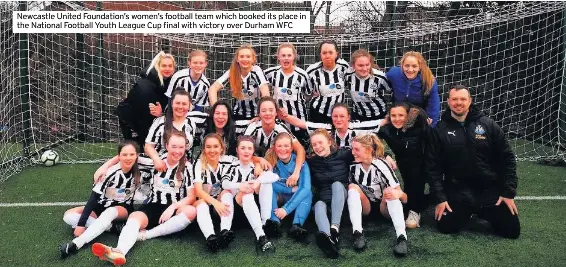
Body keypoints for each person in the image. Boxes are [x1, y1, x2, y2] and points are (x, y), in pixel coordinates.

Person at [427, 85, 520, 239]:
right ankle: (467, 211)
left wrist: (508, 192)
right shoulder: (439, 130)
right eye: (455, 99)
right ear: (448, 102)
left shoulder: (488, 125)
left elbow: (507, 159)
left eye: (463, 99)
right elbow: (432, 167)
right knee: (446, 226)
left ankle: (482, 211)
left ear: (470, 101)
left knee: (511, 231)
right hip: (458, 190)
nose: (459, 103)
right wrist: (440, 198)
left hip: (488, 189)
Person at [92, 131, 197, 266]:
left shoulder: (187, 167)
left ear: (185, 148)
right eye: (174, 146)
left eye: (181, 147)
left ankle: (146, 235)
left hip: (174, 210)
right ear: (167, 145)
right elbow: (128, 155)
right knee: (134, 218)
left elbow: (191, 196)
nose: (177, 151)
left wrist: (172, 207)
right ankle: (119, 252)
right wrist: (105, 166)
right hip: (153, 206)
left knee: (191, 211)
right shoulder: (154, 162)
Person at [59, 141, 141, 259]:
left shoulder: (142, 167)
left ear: (137, 155)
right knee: (68, 216)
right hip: (101, 205)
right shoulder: (109, 172)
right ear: (118, 156)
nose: (128, 158)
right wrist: (81, 224)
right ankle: (111, 228)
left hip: (121, 208)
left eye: (132, 154)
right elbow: (93, 199)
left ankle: (76, 244)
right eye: (124, 155)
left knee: (110, 212)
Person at [193, 133, 270, 252]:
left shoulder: (228, 160)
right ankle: (211, 238)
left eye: (215, 146)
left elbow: (247, 157)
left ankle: (226, 232)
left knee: (227, 192)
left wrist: (258, 163)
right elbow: (198, 191)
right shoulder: (199, 164)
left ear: (222, 148)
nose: (212, 150)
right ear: (203, 149)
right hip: (210, 206)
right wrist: (216, 203)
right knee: (202, 202)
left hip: (227, 208)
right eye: (208, 147)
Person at [347, 134, 408, 257]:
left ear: (369, 149)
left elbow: (404, 198)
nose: (353, 152)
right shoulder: (353, 165)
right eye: (352, 149)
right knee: (352, 188)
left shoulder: (382, 165)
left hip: (384, 208)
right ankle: (357, 233)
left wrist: (397, 193)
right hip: (366, 208)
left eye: (357, 149)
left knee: (390, 191)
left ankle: (402, 237)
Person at [218, 136, 276, 253]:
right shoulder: (232, 166)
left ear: (253, 151)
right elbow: (224, 183)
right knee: (226, 193)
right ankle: (224, 231)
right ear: (237, 150)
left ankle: (262, 233)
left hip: (253, 209)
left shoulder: (256, 167)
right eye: (243, 148)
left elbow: (275, 176)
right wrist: (239, 186)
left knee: (263, 185)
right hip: (235, 210)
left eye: (249, 148)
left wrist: (257, 181)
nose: (246, 151)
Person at [377, 102, 430, 228]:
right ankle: (414, 204)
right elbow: (373, 141)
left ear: (408, 116)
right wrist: (387, 154)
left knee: (416, 181)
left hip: (425, 163)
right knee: (409, 184)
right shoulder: (388, 130)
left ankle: (415, 211)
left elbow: (431, 142)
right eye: (393, 115)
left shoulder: (419, 127)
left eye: (401, 115)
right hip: (404, 163)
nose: (397, 119)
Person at [307, 129, 353, 259]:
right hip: (325, 201)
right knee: (318, 204)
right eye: (314, 145)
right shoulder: (312, 162)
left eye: (320, 142)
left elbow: (365, 149)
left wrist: (387, 156)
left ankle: (335, 227)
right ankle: (329, 241)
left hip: (342, 202)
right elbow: (295, 158)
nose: (317, 147)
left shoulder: (343, 154)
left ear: (329, 142)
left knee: (337, 185)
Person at [116, 51, 176, 148]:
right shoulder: (146, 87)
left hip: (147, 119)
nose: (167, 69)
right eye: (164, 66)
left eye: (170, 66)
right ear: (158, 66)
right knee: (134, 150)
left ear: (174, 68)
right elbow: (144, 115)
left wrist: (161, 114)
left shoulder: (169, 83)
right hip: (132, 120)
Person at [262, 132, 312, 242]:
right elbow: (267, 183)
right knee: (268, 188)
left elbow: (306, 187)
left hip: (295, 199)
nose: (283, 149)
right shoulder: (271, 161)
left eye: (286, 146)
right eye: (279, 146)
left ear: (291, 147)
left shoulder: (300, 162)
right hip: (280, 197)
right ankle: (274, 222)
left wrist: (286, 209)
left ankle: (297, 225)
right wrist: (288, 189)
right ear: (274, 147)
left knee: (307, 193)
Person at [264, 43, 311, 146]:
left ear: (294, 56)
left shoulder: (302, 75)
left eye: (289, 55)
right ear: (278, 57)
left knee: (300, 149)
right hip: (278, 121)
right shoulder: (270, 73)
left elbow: (309, 94)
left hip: (298, 121)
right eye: (283, 55)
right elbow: (261, 86)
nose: (286, 58)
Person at [208, 44, 270, 120]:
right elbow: (212, 89)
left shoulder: (256, 71)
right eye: (242, 56)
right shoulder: (233, 72)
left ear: (253, 59)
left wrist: (261, 115)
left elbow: (265, 93)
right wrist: (216, 110)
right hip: (237, 115)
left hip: (256, 115)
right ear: (237, 59)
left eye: (248, 56)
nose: (245, 59)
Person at [145, 90, 197, 170]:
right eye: (177, 103)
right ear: (172, 104)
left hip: (183, 168)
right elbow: (148, 146)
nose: (180, 107)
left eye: (184, 104)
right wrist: (157, 160)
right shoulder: (160, 122)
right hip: (162, 166)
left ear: (189, 106)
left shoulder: (191, 124)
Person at [387, 51, 440, 127]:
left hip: (418, 116)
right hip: (397, 115)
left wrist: (430, 125)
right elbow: (380, 81)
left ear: (419, 67)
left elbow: (434, 105)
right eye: (407, 66)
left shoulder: (429, 81)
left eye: (414, 66)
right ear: (402, 66)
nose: (410, 70)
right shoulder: (393, 74)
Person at [306, 40, 350, 123]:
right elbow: (307, 91)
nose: (327, 56)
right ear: (320, 55)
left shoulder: (344, 67)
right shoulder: (312, 71)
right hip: (319, 113)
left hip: (339, 115)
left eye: (330, 52)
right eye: (324, 53)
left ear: (336, 54)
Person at [344, 49, 390, 121]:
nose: (365, 68)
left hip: (378, 115)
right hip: (357, 115)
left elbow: (390, 91)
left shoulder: (379, 77)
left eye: (367, 65)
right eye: (360, 65)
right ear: (353, 65)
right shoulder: (348, 75)